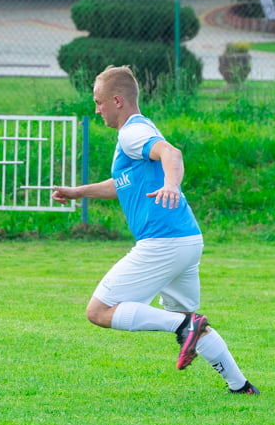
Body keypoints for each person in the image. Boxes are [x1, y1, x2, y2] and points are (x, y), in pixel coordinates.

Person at [52, 66, 259, 395]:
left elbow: (170, 153)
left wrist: (171, 184)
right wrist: (79, 192)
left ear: (117, 100)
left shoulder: (131, 133)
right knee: (185, 316)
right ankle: (241, 386)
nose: (96, 109)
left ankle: (185, 326)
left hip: (163, 241)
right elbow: (122, 185)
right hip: (186, 239)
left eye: (98, 102)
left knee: (100, 311)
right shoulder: (138, 132)